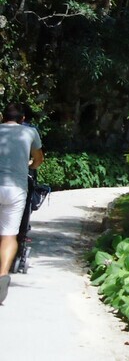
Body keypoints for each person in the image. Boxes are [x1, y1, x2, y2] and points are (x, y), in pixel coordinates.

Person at [0, 102, 44, 304]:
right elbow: (38, 159)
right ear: (23, 119)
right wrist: (29, 165)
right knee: (9, 235)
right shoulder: (30, 133)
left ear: (3, 116)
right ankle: (2, 275)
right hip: (16, 189)